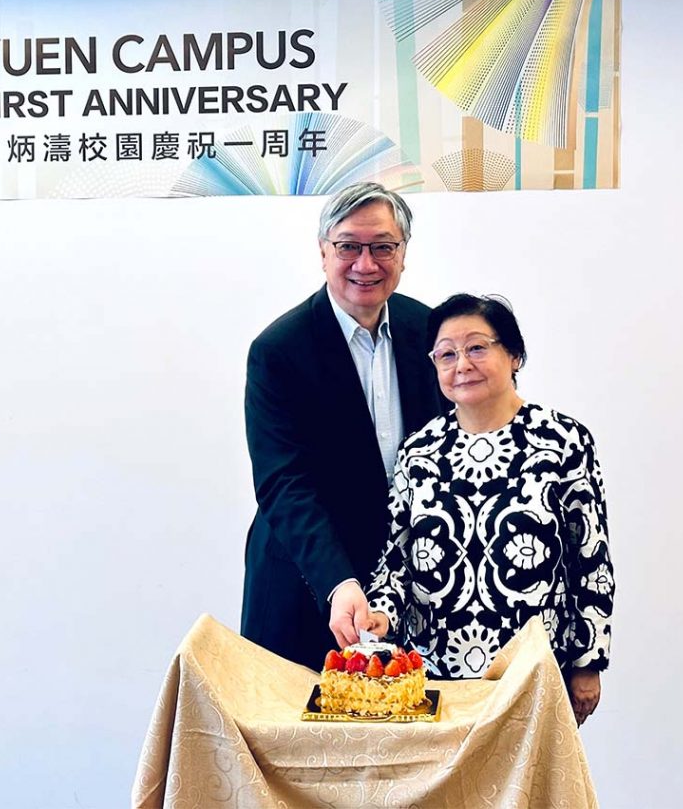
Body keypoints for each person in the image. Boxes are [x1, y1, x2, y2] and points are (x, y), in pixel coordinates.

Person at [363, 294, 615, 725]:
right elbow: (396, 563)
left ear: (514, 354)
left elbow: (590, 558)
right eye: (446, 354)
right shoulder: (419, 451)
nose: (462, 364)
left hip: (531, 671)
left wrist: (588, 662)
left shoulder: (562, 440)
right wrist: (379, 616)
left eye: (477, 347)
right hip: (433, 678)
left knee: (527, 793)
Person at [241, 182, 443, 672]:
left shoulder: (433, 333)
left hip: (411, 588)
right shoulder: (279, 350)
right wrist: (339, 581)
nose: (365, 263)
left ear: (404, 253)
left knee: (408, 742)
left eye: (382, 246)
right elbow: (283, 484)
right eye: (349, 246)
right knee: (298, 741)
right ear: (323, 251)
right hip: (307, 583)